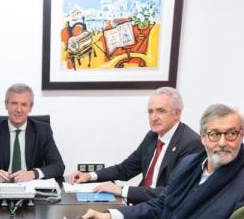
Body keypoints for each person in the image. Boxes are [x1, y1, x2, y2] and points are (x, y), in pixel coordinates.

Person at [81, 103, 244, 219]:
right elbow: (161, 205)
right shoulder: (189, 164)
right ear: (203, 137)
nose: (223, 142)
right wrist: (109, 216)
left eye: (231, 133)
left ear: (242, 135)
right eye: (214, 134)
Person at [69, 87, 203, 204]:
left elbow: (171, 192)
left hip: (161, 213)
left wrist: (122, 190)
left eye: (161, 111)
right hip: (141, 205)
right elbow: (125, 169)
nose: (154, 117)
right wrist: (89, 176)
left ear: (177, 113)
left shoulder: (191, 144)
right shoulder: (152, 136)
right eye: (150, 111)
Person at [0, 82, 65, 182]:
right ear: (6, 104)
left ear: (30, 107)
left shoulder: (43, 131)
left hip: (32, 191)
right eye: (14, 103)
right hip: (0, 192)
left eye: (24, 104)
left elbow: (58, 166)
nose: (19, 109)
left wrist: (33, 174)